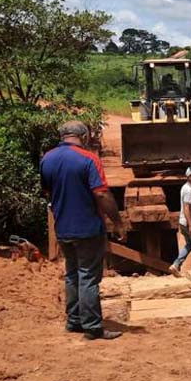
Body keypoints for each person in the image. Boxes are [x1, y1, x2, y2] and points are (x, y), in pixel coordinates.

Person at [40, 120, 126, 341]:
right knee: (88, 276)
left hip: (63, 228)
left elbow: (47, 193)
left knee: (72, 274)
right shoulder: (89, 159)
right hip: (87, 227)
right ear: (84, 137)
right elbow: (101, 193)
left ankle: (74, 321)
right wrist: (117, 222)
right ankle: (93, 326)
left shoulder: (47, 159)